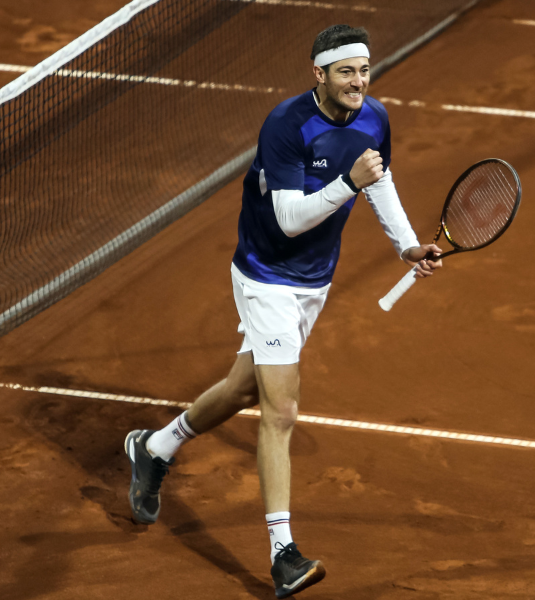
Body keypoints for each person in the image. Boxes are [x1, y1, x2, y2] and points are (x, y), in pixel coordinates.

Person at [124, 24, 442, 598]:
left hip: (313, 281)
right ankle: (282, 553)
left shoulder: (375, 118)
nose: (359, 82)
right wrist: (348, 181)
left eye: (364, 70)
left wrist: (407, 245)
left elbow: (382, 180)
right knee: (282, 409)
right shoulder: (286, 126)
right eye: (346, 72)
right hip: (266, 276)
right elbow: (291, 218)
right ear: (318, 74)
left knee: (245, 389)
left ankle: (154, 448)